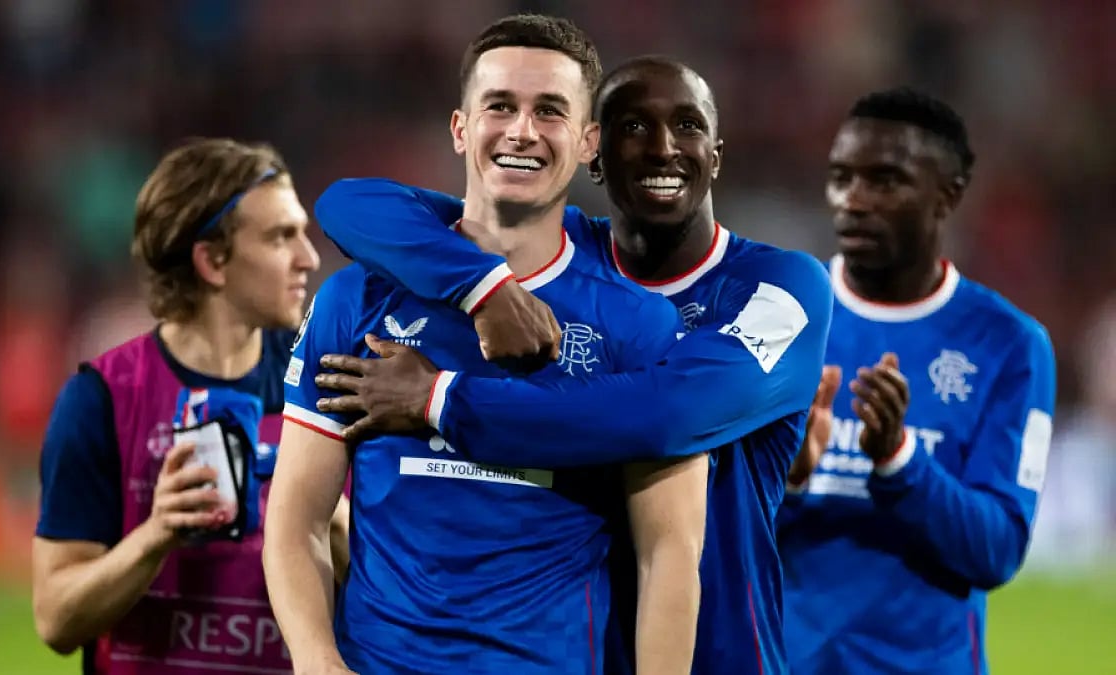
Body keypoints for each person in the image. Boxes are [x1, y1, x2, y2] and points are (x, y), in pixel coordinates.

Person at [310, 56, 832, 675]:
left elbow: (666, 410)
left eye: (688, 126)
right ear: (594, 152)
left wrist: (442, 403)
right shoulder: (558, 261)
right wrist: (489, 290)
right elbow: (351, 205)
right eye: (633, 127)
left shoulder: (779, 287)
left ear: (715, 155)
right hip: (580, 647)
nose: (663, 148)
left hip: (726, 652)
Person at [264, 16, 708, 675]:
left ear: (589, 143)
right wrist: (317, 659)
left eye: (550, 111)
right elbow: (297, 518)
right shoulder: (356, 301)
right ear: (460, 128)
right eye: (499, 105)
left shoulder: (638, 326)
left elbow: (667, 553)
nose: (522, 130)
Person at [777, 87, 1057, 674]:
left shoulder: (1010, 344)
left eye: (884, 181)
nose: (853, 201)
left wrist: (899, 460)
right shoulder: (781, 317)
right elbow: (704, 534)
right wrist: (787, 480)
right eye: (840, 177)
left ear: (947, 196)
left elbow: (997, 551)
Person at [31, 138, 334, 674]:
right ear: (212, 260)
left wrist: (322, 515)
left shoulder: (326, 389)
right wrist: (157, 534)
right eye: (281, 236)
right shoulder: (102, 400)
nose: (308, 257)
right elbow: (56, 619)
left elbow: (394, 593)